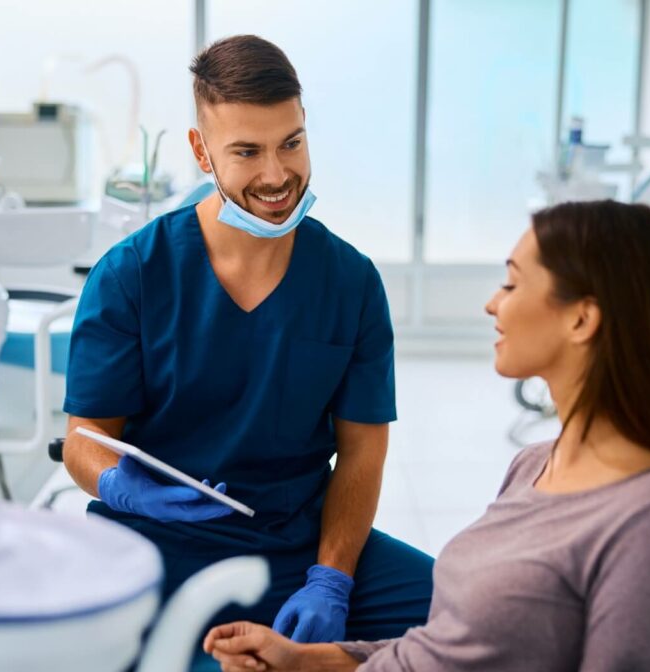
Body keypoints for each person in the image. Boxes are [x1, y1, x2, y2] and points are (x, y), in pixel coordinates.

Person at [203, 200, 650, 671]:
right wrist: (309, 662)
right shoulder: (535, 465)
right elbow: (446, 650)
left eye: (511, 282)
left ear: (582, 320)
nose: (491, 304)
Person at [61, 34, 433, 654]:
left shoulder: (350, 281)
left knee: (474, 620)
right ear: (201, 153)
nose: (276, 174)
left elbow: (363, 453)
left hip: (301, 545)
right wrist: (122, 486)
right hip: (158, 549)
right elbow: (83, 439)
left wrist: (332, 578)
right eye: (246, 151)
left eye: (291, 142)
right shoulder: (132, 275)